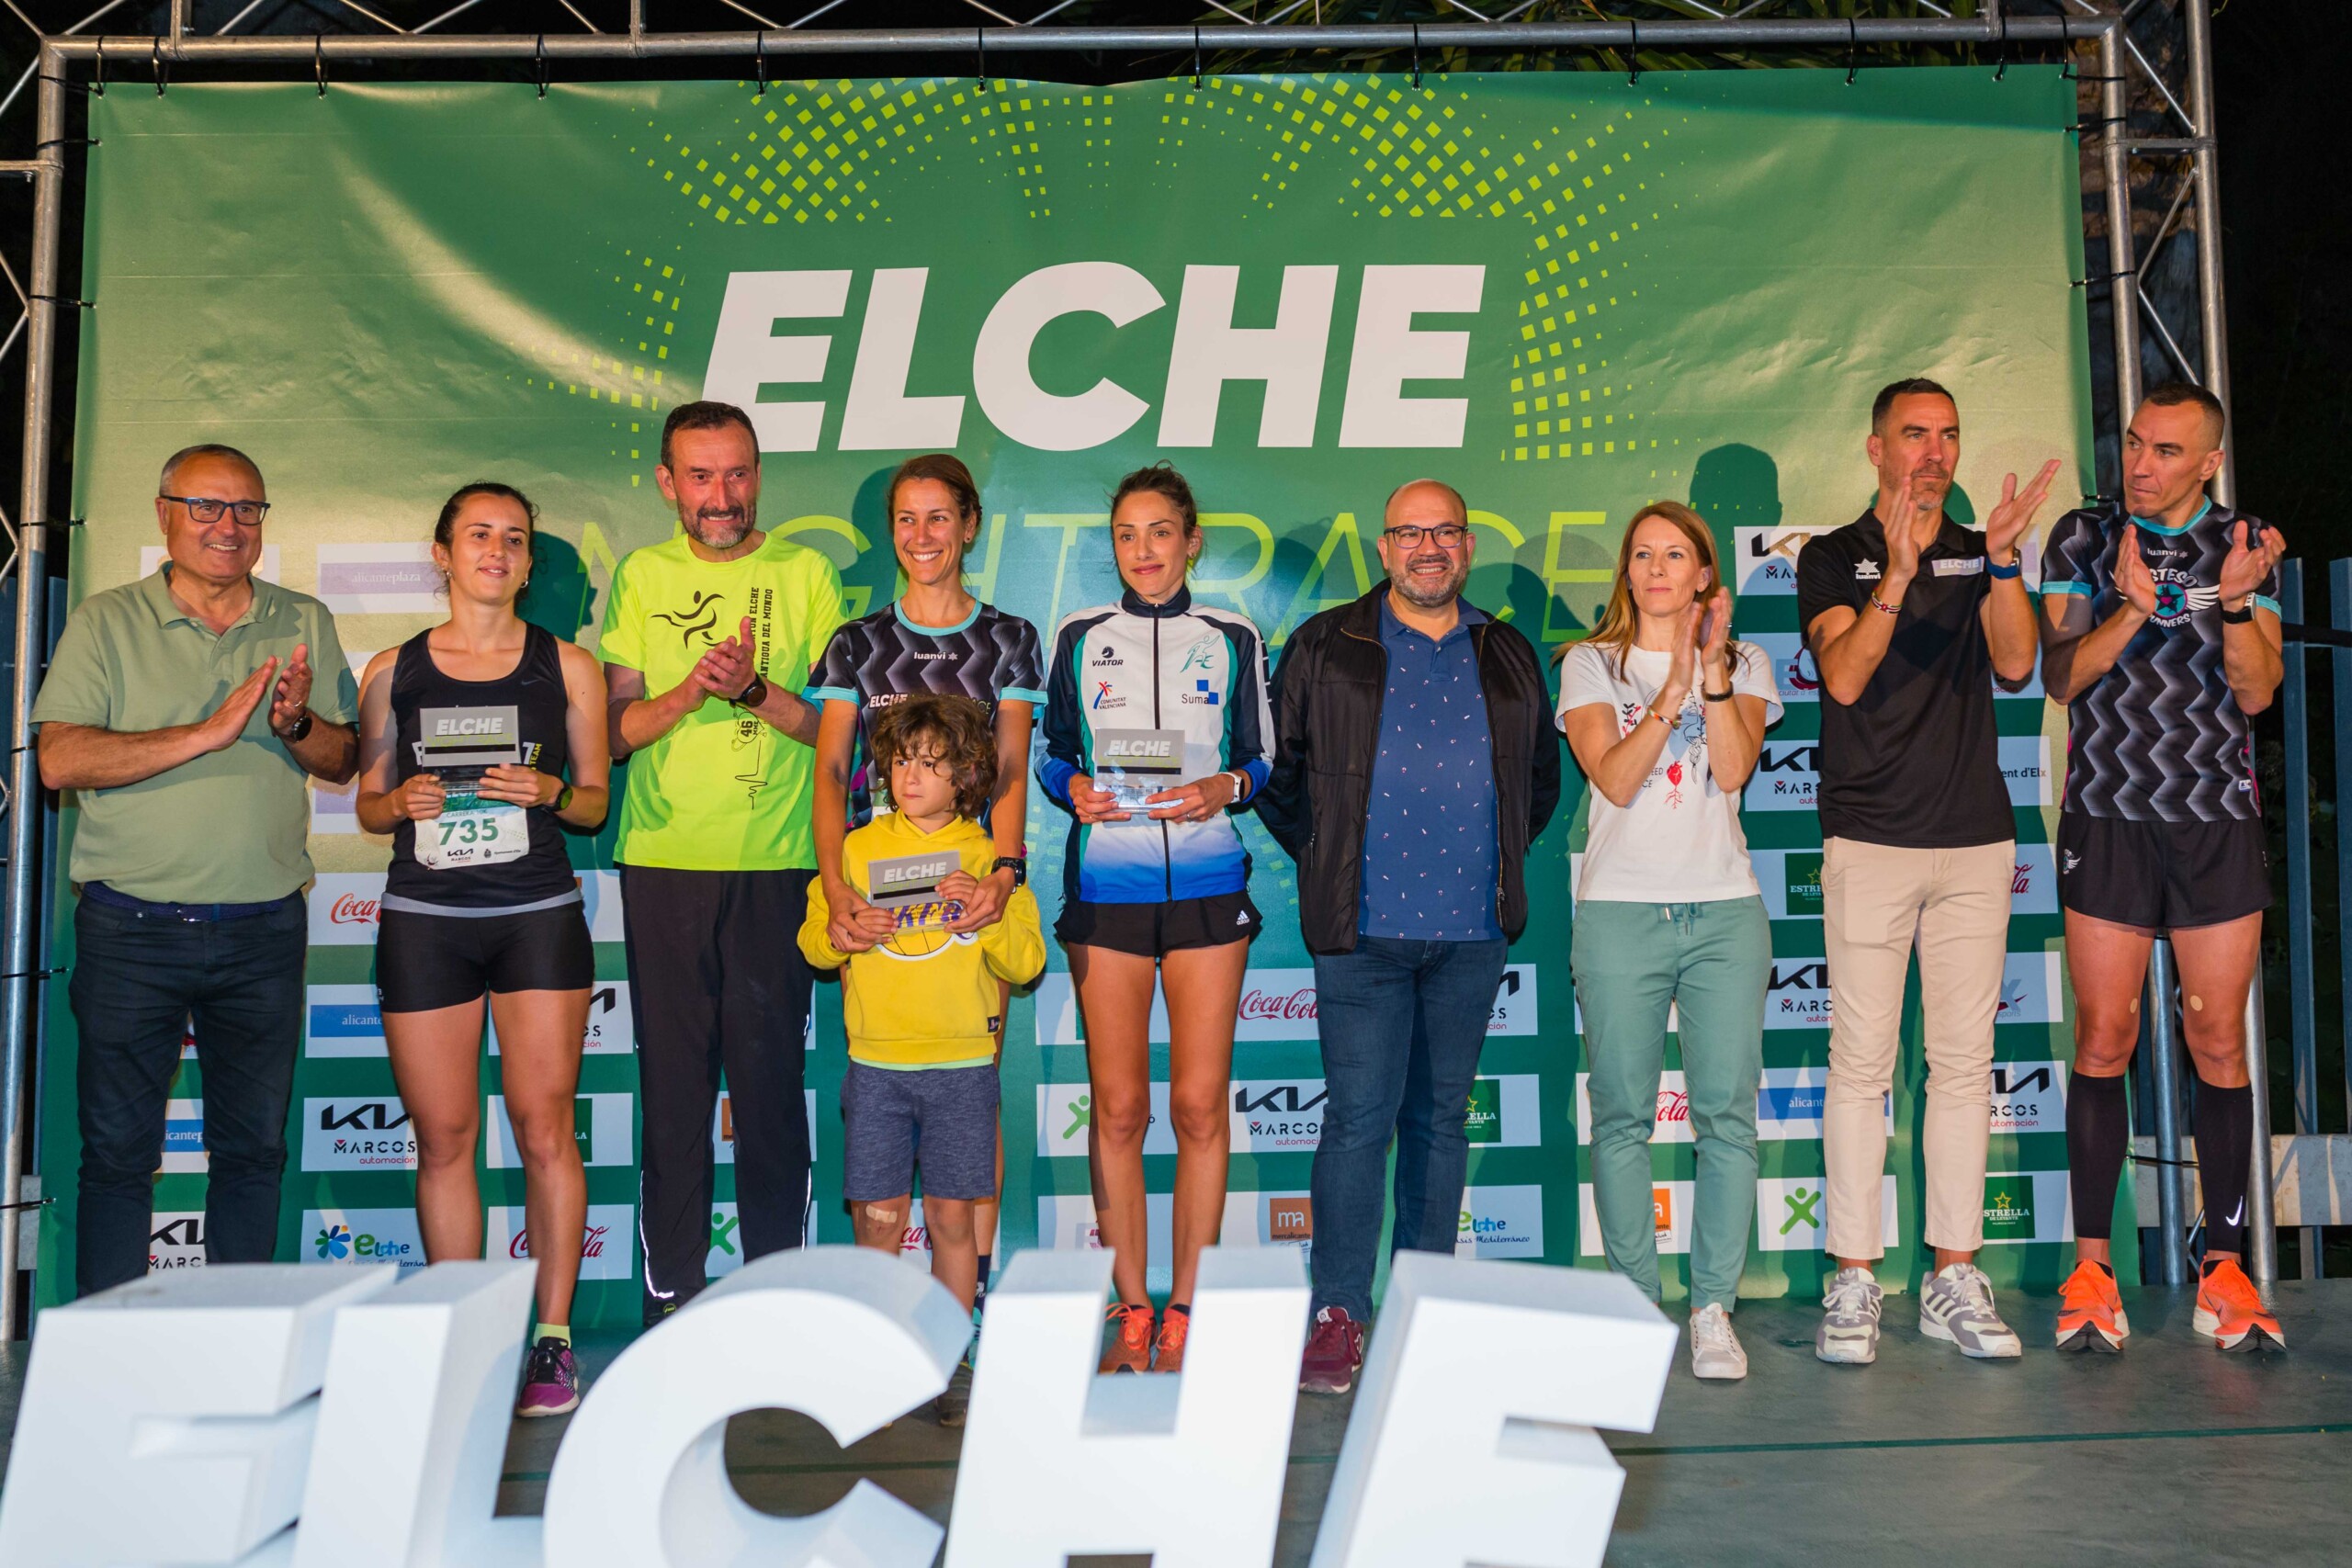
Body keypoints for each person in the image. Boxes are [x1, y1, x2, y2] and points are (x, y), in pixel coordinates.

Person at [1260, 478, 1561, 1395]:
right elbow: (1280, 775)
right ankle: (1339, 1313)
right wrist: (1329, 855)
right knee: (1357, 1121)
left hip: (1472, 932)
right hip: (1363, 933)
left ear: (1466, 546)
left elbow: (1539, 781)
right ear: (1384, 548)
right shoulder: (1324, 644)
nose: (1429, 548)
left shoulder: (1506, 649)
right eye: (1410, 533)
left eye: (1446, 532)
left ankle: (1425, 1313)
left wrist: (1487, 857)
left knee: (1439, 1122)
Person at [35, 445, 357, 1295]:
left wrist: (295, 724)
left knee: (253, 1150)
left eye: (247, 508)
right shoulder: (106, 620)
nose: (228, 525)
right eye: (206, 506)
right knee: (117, 1155)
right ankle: (108, 1345)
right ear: (164, 515)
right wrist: (204, 735)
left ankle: (239, 1343)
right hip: (130, 929)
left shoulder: (302, 619)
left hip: (262, 928)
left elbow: (345, 758)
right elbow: (59, 759)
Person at [1796, 378, 2059, 1365]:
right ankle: (1854, 1279)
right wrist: (1898, 575)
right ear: (1876, 448)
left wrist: (2001, 563)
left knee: (1961, 1067)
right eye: (1915, 434)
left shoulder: (1982, 550)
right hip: (1870, 839)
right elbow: (1844, 676)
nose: (1934, 452)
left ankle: (1953, 1275)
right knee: (1861, 1068)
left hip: (1975, 839)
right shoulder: (1833, 556)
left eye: (1948, 435)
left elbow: (2016, 663)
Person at [353, 483, 611, 1416]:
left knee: (545, 1130)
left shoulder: (568, 666)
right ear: (443, 553)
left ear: (529, 561)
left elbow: (594, 801)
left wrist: (550, 792)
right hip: (427, 920)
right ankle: (460, 1335)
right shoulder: (392, 669)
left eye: (514, 538)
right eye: (478, 535)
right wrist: (398, 803)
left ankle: (552, 1341)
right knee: (443, 1138)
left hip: (535, 913)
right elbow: (370, 801)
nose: (496, 550)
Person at [2040, 382, 2287, 1353]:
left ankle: (2223, 1270)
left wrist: (2237, 601)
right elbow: (2060, 675)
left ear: (2209, 463)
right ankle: (2092, 1270)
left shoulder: (2244, 542)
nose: (2139, 464)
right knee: (2104, 1035)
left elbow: (2257, 693)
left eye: (2166, 451)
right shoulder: (2084, 536)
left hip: (2214, 819)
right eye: (2135, 443)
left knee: (2216, 1039)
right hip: (2108, 815)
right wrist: (2131, 611)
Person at [600, 400, 843, 1324]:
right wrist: (689, 693)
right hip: (664, 864)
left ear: (758, 476)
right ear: (668, 482)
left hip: (778, 863)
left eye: (737, 473)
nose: (722, 495)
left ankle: (778, 1298)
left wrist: (751, 689)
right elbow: (616, 732)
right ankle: (674, 1299)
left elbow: (834, 731)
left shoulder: (807, 572)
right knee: (674, 1094)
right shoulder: (642, 574)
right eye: (700, 476)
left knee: (771, 1094)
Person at [1037, 463, 1275, 1375]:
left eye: (1160, 532)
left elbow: (1262, 756)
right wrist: (1074, 787)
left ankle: (1186, 1312)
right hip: (1109, 890)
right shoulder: (1079, 635)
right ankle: (1131, 1308)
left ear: (1191, 540)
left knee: (1199, 1106)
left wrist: (1225, 786)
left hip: (1208, 887)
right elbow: (1053, 752)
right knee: (1120, 1108)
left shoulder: (1231, 635)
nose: (1143, 550)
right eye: (1126, 535)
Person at [808, 454, 1042, 1314]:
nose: (921, 535)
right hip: (874, 885)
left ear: (969, 526)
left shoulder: (1010, 637)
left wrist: (1003, 875)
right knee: (881, 1079)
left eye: (939, 517)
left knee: (968, 1094)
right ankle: (885, 1330)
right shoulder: (855, 643)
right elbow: (830, 774)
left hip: (972, 881)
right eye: (906, 518)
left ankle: (960, 1315)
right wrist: (835, 887)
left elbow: (1009, 771)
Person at [1557, 502, 1781, 1381]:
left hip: (1725, 912)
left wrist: (1710, 671)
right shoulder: (1590, 662)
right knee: (1622, 1117)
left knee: (1727, 1118)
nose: (1657, 568)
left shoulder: (1746, 661)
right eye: (1643, 554)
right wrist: (1670, 689)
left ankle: (1713, 1307)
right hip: (1620, 911)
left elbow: (1732, 768)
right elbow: (1614, 780)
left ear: (1703, 574)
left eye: (1675, 554)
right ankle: (1635, 1307)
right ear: (1627, 570)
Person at [801, 694, 1044, 1425]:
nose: (911, 776)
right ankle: (879, 1359)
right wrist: (841, 932)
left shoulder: (991, 859)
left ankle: (947, 1361)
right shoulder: (856, 850)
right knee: (877, 1220)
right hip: (877, 1068)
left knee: (952, 1221)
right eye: (902, 760)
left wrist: (989, 913)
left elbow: (1027, 962)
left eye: (931, 763)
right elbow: (815, 941)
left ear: (966, 774)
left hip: (964, 1070)